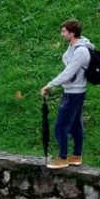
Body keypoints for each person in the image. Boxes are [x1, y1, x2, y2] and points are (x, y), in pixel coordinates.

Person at [39, 18, 92, 168]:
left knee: (60, 126)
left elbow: (68, 72)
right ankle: (76, 156)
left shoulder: (81, 51)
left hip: (74, 93)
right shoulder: (73, 47)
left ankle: (62, 158)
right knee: (75, 124)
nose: (61, 34)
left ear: (72, 33)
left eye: (64, 31)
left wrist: (49, 85)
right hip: (72, 90)